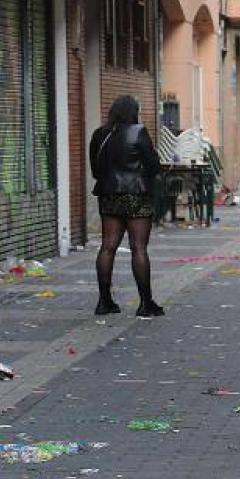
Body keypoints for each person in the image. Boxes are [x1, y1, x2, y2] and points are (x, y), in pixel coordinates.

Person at [89, 95, 164, 317]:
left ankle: (104, 301)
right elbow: (153, 164)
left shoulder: (100, 134)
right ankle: (145, 303)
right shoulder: (138, 132)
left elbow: (95, 169)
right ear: (134, 111)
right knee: (138, 247)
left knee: (108, 246)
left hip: (108, 194)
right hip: (136, 194)